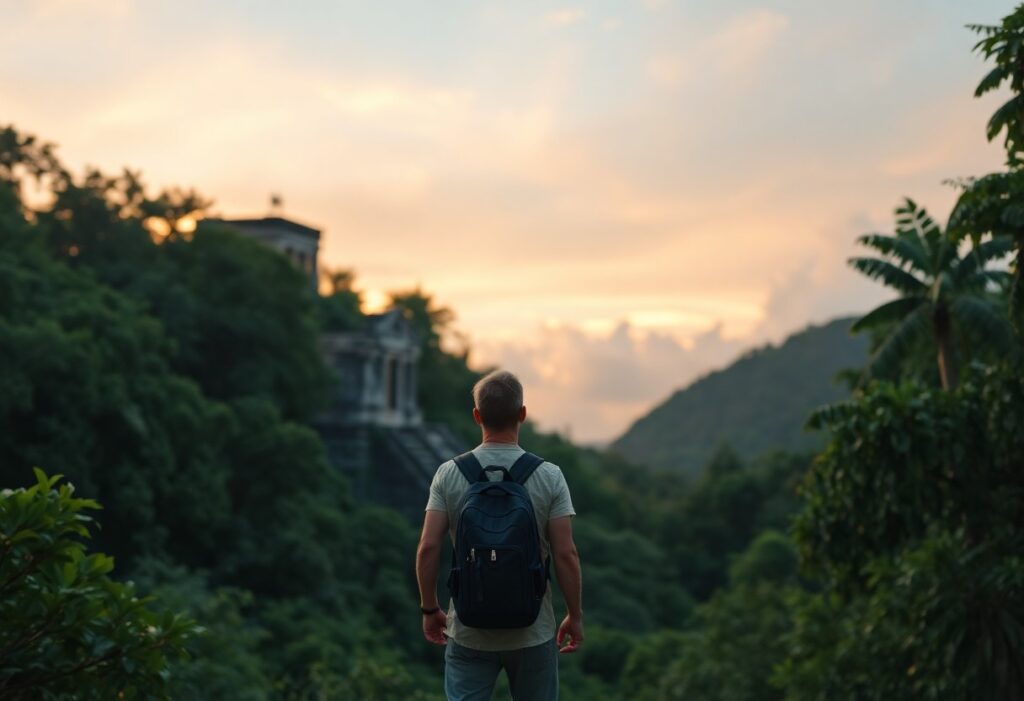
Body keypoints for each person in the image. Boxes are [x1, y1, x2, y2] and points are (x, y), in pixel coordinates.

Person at [416, 370, 584, 701]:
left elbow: (428, 547)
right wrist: (575, 616)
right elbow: (566, 554)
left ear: (477, 415)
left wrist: (429, 609)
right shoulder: (549, 476)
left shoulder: (449, 474)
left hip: (468, 629)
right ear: (522, 413)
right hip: (533, 629)